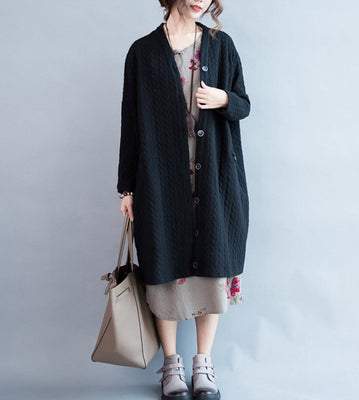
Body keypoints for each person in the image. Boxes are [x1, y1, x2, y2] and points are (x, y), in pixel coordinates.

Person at [117, 1, 251, 399]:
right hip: (161, 181)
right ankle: (172, 364)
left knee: (212, 265)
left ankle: (203, 364)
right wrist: (127, 188)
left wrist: (224, 100)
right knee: (163, 267)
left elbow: (244, 103)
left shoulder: (221, 46)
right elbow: (131, 121)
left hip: (215, 178)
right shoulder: (142, 52)